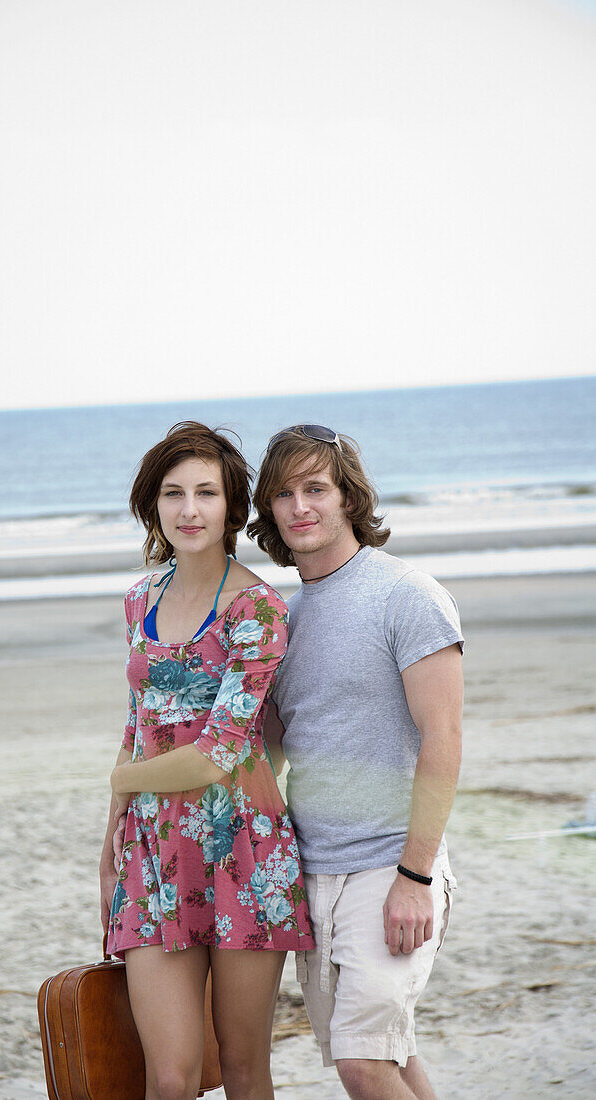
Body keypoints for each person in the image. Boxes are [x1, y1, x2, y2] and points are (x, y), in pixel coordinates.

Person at [100, 421, 314, 1100]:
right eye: (172, 493)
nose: (188, 510)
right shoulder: (141, 599)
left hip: (243, 849)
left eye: (205, 493)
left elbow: (217, 753)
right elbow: (136, 722)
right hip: (151, 850)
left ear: (231, 507)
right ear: (152, 504)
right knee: (168, 1078)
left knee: (244, 1067)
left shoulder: (255, 609)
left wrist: (120, 780)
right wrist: (110, 832)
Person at [248, 424, 464, 1100]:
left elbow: (444, 737)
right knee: (383, 1056)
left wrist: (413, 876)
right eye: (282, 493)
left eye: (315, 488)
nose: (298, 506)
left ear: (348, 499)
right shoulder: (282, 620)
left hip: (388, 863)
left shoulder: (405, 593)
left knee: (361, 1063)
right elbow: (273, 748)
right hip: (312, 871)